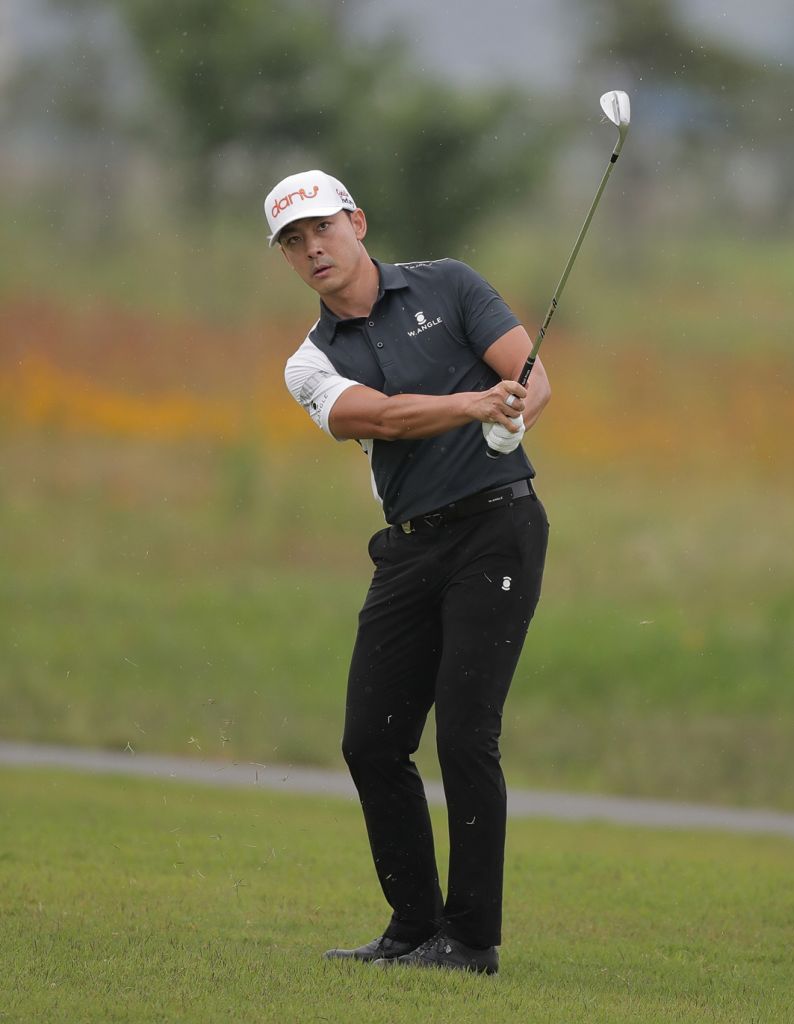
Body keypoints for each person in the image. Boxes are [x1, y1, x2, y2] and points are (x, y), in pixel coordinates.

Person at [266, 169, 550, 975]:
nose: (313, 248)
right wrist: (474, 406)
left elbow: (530, 378)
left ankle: (471, 940)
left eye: (323, 227)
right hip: (410, 546)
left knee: (464, 733)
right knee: (371, 741)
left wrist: (514, 416)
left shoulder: (449, 285)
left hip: (497, 529)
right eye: (293, 241)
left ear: (356, 222)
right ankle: (413, 926)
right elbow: (380, 419)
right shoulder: (309, 361)